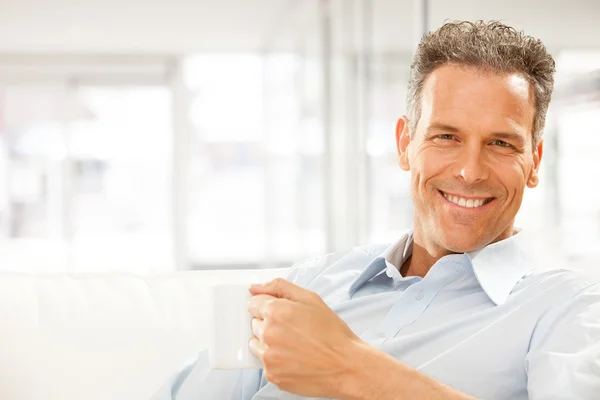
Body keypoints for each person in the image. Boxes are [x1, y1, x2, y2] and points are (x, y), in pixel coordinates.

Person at [153, 21, 600, 399]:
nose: (469, 171)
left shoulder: (568, 310)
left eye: (500, 144)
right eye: (446, 137)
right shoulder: (310, 283)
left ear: (535, 162)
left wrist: (352, 368)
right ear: (405, 144)